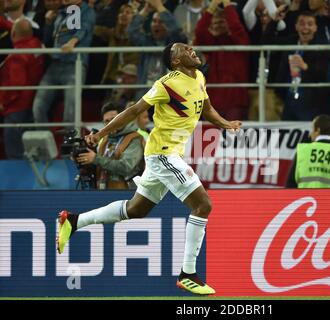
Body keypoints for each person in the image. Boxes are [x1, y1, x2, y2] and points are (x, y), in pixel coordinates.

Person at [56, 42, 242, 295]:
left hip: (169, 154)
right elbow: (134, 110)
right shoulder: (167, 84)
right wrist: (101, 134)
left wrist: (226, 124)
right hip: (162, 154)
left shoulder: (198, 77)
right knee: (203, 205)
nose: (191, 48)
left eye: (189, 46)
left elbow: (206, 109)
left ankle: (74, 221)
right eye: (183, 49)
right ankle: (188, 273)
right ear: (175, 61)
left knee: (136, 209)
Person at [0, 18, 45, 159]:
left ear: (13, 35)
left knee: (15, 152)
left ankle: (15, 178)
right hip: (30, 102)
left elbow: (15, 85)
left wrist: (2, 102)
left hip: (15, 108)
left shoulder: (17, 56)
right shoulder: (36, 45)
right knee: (26, 149)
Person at [76, 101, 145, 190]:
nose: (110, 124)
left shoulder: (135, 138)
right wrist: (84, 158)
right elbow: (99, 165)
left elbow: (126, 167)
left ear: (122, 118)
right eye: (106, 121)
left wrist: (95, 158)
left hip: (127, 193)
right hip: (103, 190)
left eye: (113, 119)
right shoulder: (104, 139)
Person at [286, 114, 330, 188]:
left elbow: (290, 184)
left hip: (307, 199)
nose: (310, 134)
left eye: (312, 129)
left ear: (318, 130)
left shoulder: (303, 151)